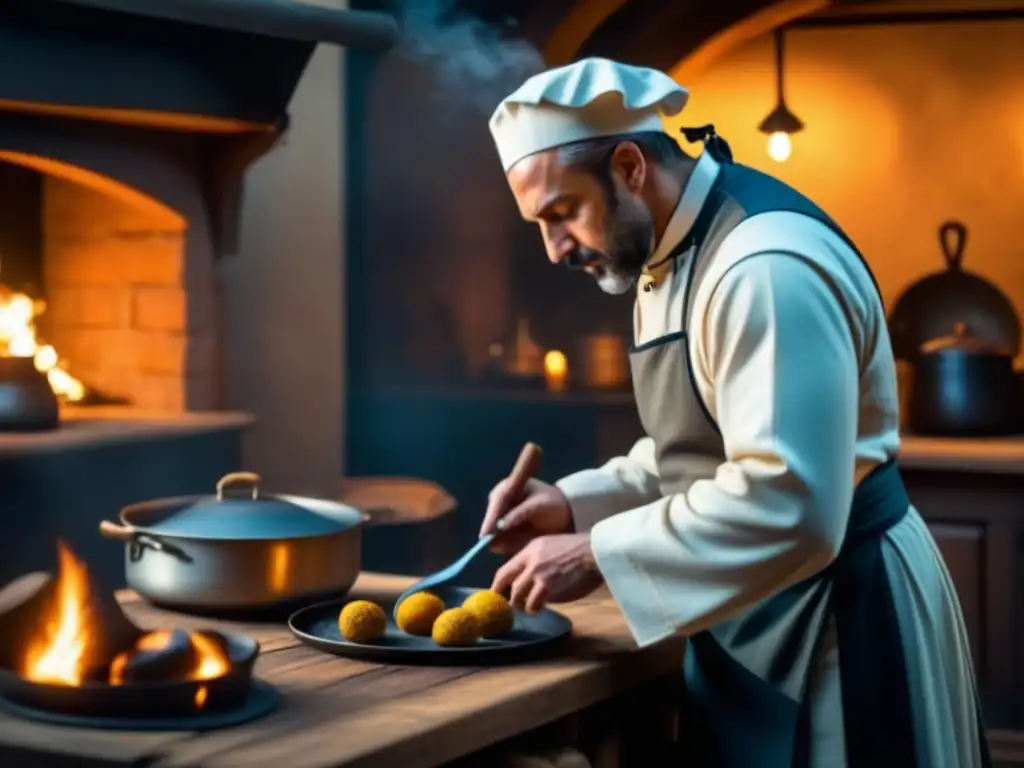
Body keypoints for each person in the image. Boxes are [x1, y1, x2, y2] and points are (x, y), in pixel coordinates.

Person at [479, 57, 989, 767]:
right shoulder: (663, 254)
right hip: (764, 608)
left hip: (844, 613)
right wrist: (572, 504)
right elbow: (699, 446)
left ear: (629, 166)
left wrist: (598, 551)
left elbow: (792, 498)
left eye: (563, 212)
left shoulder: (763, 265)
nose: (554, 247)